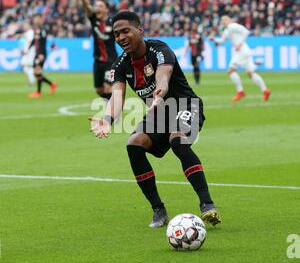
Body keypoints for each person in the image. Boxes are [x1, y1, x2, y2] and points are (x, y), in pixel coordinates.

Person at [89, 11, 222, 228]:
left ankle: (207, 204)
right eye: (116, 34)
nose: (121, 37)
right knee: (134, 144)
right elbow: (117, 96)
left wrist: (160, 92)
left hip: (186, 106)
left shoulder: (159, 50)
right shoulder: (120, 65)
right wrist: (106, 119)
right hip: (159, 114)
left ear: (139, 30)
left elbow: (163, 75)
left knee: (178, 139)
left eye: (125, 31)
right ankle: (158, 209)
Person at [210, 15, 271, 101]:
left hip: (241, 51)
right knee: (251, 73)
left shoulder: (233, 26)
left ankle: (240, 91)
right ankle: (265, 91)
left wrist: (240, 44)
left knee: (231, 70)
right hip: (244, 51)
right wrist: (214, 39)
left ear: (229, 20)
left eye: (225, 20)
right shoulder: (227, 30)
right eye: (222, 20)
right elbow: (222, 41)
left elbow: (246, 32)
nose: (224, 22)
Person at [76, 0, 118, 100]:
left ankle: (112, 115)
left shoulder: (113, 22)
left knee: (107, 87)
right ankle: (112, 109)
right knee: (99, 90)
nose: (97, 8)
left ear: (106, 9)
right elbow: (87, 8)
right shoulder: (94, 20)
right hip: (98, 61)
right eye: (96, 6)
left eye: (100, 6)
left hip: (110, 61)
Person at [28, 13, 57, 98]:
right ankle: (51, 84)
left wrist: (41, 54)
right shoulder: (36, 29)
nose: (35, 20)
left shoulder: (42, 30)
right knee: (36, 73)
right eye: (35, 18)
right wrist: (28, 49)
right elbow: (34, 40)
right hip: (37, 53)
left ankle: (38, 92)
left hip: (41, 54)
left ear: (41, 19)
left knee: (37, 72)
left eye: (37, 18)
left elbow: (43, 43)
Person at [19, 22, 36, 86]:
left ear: (29, 25)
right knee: (26, 66)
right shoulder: (27, 33)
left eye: (25, 25)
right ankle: (32, 80)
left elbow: (30, 42)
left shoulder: (30, 32)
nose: (24, 27)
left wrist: (26, 50)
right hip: (27, 52)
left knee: (26, 65)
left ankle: (32, 81)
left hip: (29, 52)